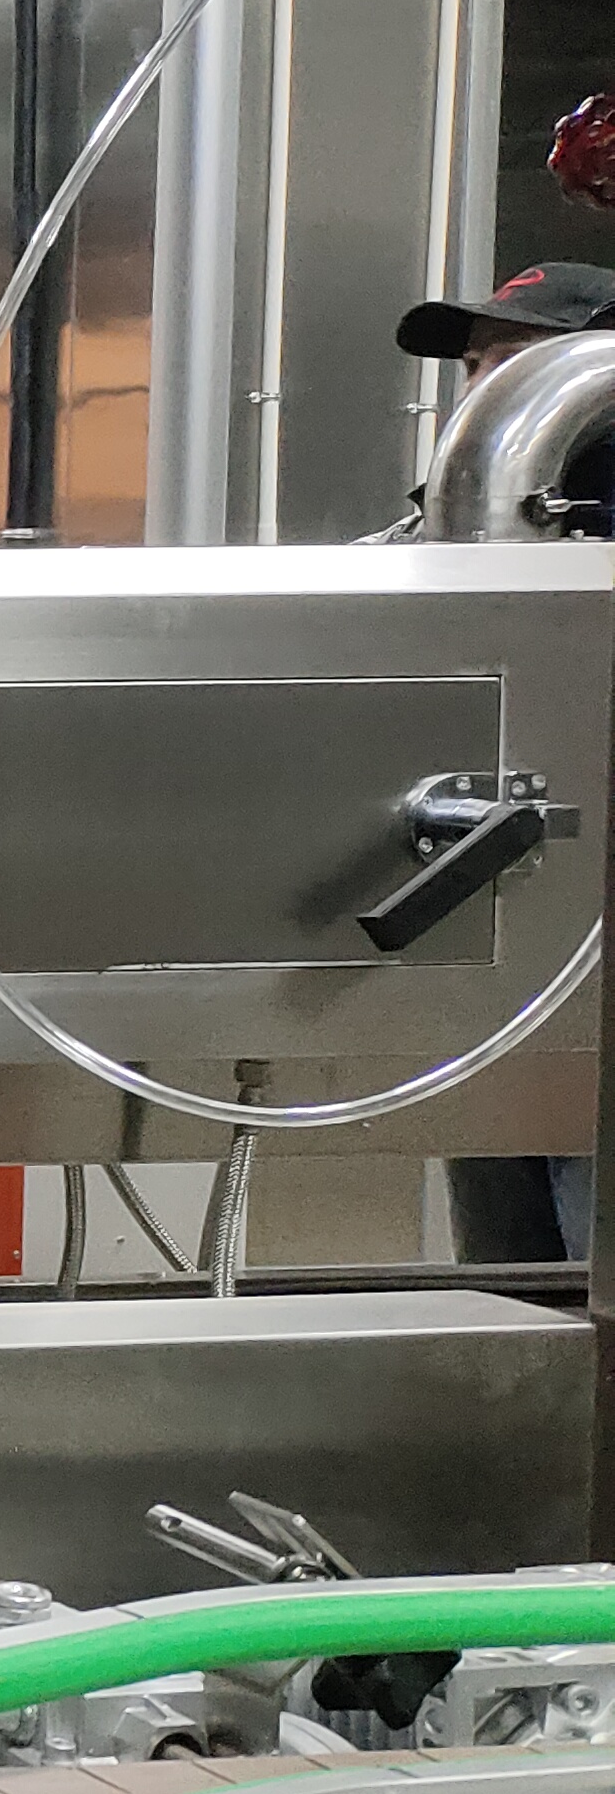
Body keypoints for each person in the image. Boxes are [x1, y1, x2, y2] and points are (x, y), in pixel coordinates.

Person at [395, 261, 615, 1266]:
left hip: (588, 976)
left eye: (514, 361)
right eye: (475, 368)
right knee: (509, 1278)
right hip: (488, 960)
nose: (485, 393)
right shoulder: (438, 532)